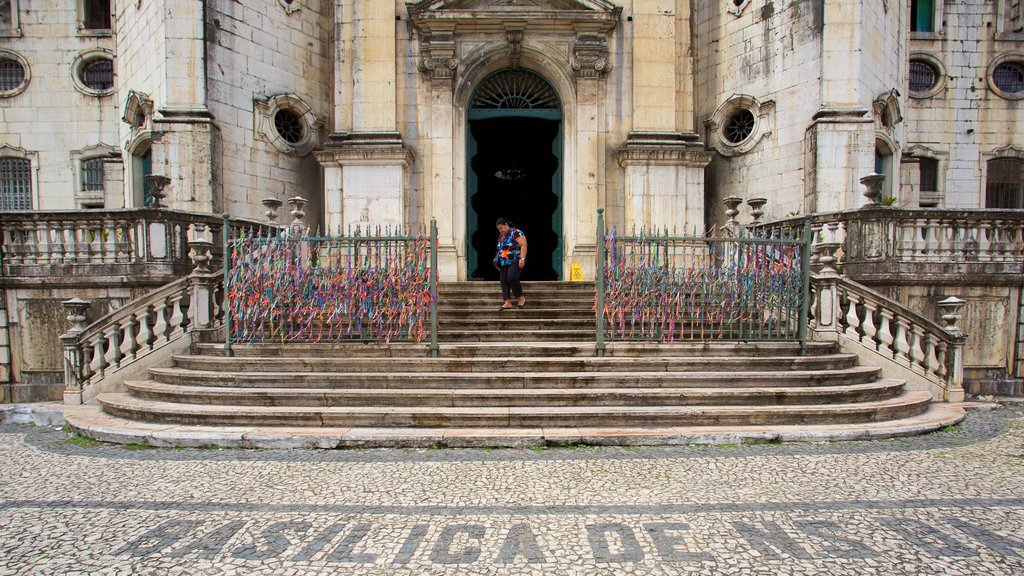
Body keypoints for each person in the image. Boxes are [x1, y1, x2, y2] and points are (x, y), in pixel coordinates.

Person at [494, 217, 527, 310]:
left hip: (515, 261)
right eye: (498, 229)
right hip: (503, 262)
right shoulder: (501, 236)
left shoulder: (516, 232)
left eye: (501, 228)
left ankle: (520, 298)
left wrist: (522, 259)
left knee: (511, 277)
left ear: (506, 225)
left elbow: (524, 245)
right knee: (503, 281)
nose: (500, 231)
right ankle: (507, 302)